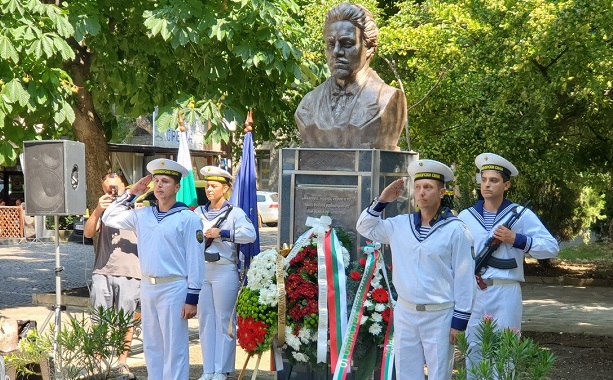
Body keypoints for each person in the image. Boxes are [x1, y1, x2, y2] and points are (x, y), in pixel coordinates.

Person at [356, 159, 475, 380]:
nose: (422, 193)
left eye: (428, 188)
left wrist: (459, 322)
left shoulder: (456, 230)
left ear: (441, 192)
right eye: (418, 187)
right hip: (406, 312)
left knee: (439, 373)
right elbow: (364, 227)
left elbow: (465, 278)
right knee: (406, 372)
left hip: (440, 314)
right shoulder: (400, 225)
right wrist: (382, 201)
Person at [102, 158, 205, 380]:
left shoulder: (188, 218)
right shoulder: (142, 214)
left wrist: (192, 297)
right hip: (148, 287)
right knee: (152, 345)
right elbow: (109, 217)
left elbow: (196, 260)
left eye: (165, 181)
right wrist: (130, 193)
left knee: (174, 347)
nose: (159, 185)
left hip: (174, 287)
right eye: (156, 180)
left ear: (177, 187)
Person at [457, 153, 559, 376]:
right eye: (483, 180)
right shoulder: (466, 215)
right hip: (474, 291)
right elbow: (455, 252)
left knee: (505, 352)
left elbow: (551, 247)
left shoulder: (521, 214)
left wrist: (517, 239)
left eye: (493, 180)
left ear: (506, 184)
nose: (487, 185)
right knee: (473, 349)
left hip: (506, 289)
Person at [295, 2, 407, 150]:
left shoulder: (387, 99)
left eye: (346, 43)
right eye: (330, 44)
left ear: (369, 48)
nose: (336, 52)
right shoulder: (307, 105)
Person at [195, 166, 257, 380]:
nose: (209, 189)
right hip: (203, 269)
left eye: (214, 186)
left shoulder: (234, 213)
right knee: (205, 320)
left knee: (224, 320)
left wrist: (223, 233)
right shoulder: (198, 212)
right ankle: (208, 369)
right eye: (207, 185)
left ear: (226, 188)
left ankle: (222, 369)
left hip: (224, 269)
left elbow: (250, 235)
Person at [84, 171, 140, 379]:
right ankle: (97, 361)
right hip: (103, 271)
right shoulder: (103, 211)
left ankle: (122, 362)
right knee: (99, 319)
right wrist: (98, 210)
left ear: (125, 186)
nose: (113, 191)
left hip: (131, 272)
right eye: (108, 188)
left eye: (116, 187)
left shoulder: (137, 208)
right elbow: (89, 233)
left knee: (125, 320)